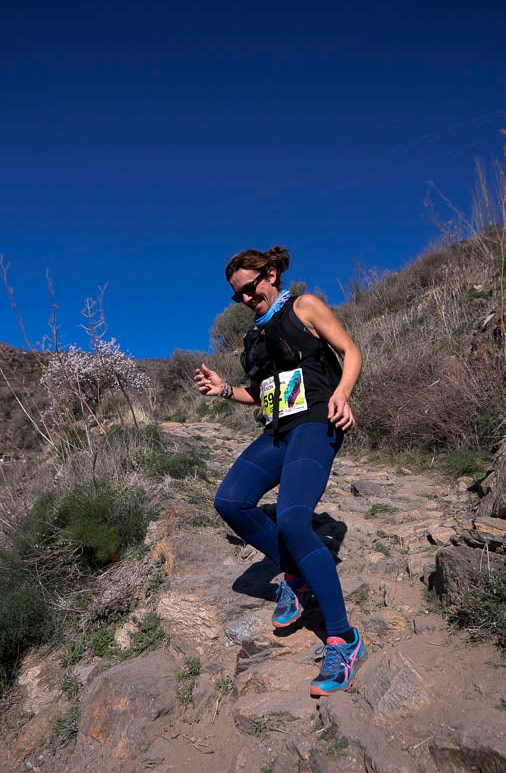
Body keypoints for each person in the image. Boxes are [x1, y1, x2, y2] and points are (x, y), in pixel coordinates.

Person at [194, 246, 366, 696]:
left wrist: (342, 395)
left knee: (291, 518)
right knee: (229, 500)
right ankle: (295, 576)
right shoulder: (256, 338)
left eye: (251, 289)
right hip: (278, 430)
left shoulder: (303, 307)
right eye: (238, 297)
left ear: (270, 275)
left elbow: (350, 352)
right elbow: (262, 393)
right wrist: (225, 390)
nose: (247, 299)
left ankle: (343, 639)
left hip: (315, 423)